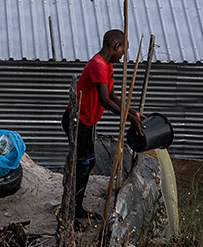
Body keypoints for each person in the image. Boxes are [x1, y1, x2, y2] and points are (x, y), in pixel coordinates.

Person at [59, 29, 143, 227]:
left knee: (88, 162)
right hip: (77, 121)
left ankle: (76, 207)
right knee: (82, 165)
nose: (122, 56)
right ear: (116, 46)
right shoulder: (98, 66)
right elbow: (104, 101)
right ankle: (69, 213)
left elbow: (112, 96)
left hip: (87, 122)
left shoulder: (106, 66)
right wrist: (128, 119)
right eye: (122, 51)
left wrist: (132, 112)